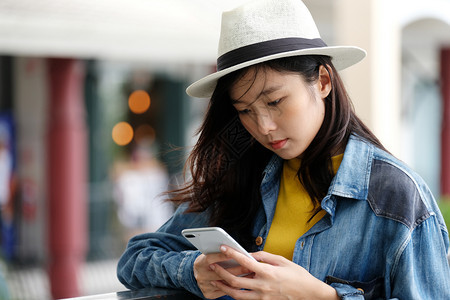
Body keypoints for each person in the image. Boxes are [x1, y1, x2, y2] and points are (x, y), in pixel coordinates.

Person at [117, 0, 450, 299]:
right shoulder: (243, 173)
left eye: (275, 101)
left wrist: (323, 297)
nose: (263, 126)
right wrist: (194, 271)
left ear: (322, 82)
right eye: (245, 110)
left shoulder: (395, 196)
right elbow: (136, 258)